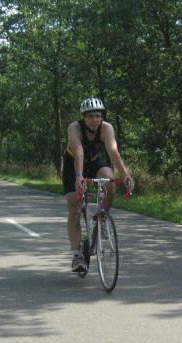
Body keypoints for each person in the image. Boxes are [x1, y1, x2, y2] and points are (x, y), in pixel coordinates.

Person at [62, 97, 135, 274]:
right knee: (74, 208)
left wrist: (125, 175)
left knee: (110, 181)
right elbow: (78, 151)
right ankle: (77, 254)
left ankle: (102, 218)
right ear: (83, 117)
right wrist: (79, 176)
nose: (95, 120)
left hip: (95, 160)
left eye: (98, 116)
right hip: (74, 164)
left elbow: (113, 151)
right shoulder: (74, 127)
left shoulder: (106, 128)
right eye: (90, 116)